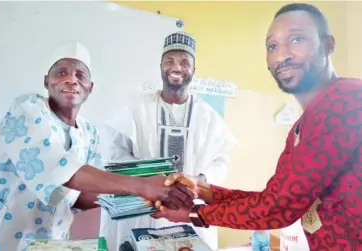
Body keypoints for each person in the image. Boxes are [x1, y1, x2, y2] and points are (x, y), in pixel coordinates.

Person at [151, 3, 362, 251]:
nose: (282, 55)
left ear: (328, 45)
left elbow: (277, 208)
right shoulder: (300, 128)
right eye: (272, 46)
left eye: (296, 39)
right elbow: (271, 199)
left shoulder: (346, 100)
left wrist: (195, 214)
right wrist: (202, 190)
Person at [0, 41, 195, 251]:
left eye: (80, 75)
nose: (71, 79)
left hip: (52, 243)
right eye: (61, 73)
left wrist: (145, 200)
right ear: (46, 81)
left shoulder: (89, 133)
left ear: (90, 88)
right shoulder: (28, 109)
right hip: (7, 237)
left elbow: (82, 196)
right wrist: (144, 185)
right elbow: (64, 171)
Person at [100, 31, 236, 250]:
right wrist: (150, 178)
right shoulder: (136, 108)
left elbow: (221, 160)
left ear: (193, 70)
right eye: (169, 61)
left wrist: (199, 179)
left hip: (188, 210)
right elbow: (115, 152)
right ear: (161, 66)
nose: (177, 68)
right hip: (142, 208)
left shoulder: (208, 116)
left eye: (185, 62)